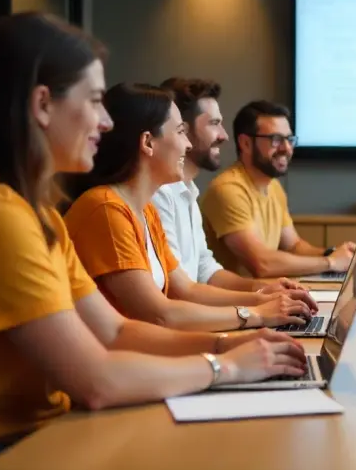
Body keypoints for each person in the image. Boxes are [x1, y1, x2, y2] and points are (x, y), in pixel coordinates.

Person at [0, 14, 306, 466]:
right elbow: (96, 380)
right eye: (96, 101)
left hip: (34, 436)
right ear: (43, 104)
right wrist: (227, 367)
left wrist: (228, 345)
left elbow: (114, 332)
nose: (104, 122)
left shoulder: (37, 214)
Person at [63, 84, 314, 333]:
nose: (188, 144)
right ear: (148, 142)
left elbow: (186, 288)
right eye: (180, 131)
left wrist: (264, 299)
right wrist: (256, 314)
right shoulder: (107, 210)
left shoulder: (145, 211)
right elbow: (161, 315)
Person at [153, 78, 310, 297]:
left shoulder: (188, 190)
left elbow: (204, 269)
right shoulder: (159, 194)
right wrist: (256, 306)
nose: (224, 136)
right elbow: (178, 291)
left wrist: (263, 290)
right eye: (213, 123)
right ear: (182, 130)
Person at [201, 100, 356, 277]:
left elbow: (294, 246)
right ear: (245, 143)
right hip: (236, 302)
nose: (287, 148)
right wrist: (331, 262)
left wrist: (335, 253)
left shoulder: (273, 186)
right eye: (275, 140)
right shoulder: (227, 190)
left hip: (268, 297)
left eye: (289, 139)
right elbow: (262, 264)